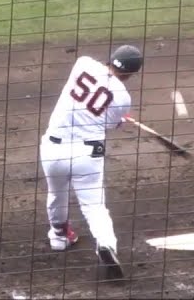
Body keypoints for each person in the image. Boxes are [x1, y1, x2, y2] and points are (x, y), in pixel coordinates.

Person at [39, 44, 144, 280]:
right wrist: (121, 119)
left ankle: (59, 236)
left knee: (56, 193)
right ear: (132, 73)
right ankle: (106, 244)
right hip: (87, 155)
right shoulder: (123, 98)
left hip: (53, 149)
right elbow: (110, 124)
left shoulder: (83, 63)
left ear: (112, 58)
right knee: (94, 207)